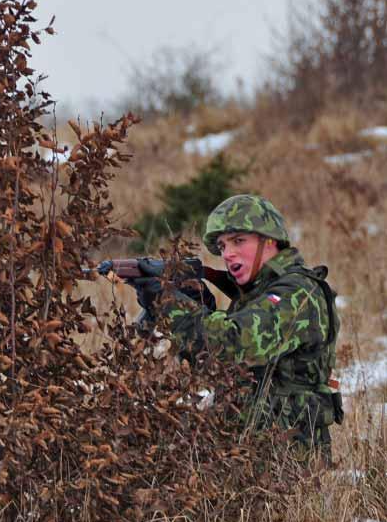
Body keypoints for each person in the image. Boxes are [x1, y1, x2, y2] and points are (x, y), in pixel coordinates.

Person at [138, 194, 344, 458]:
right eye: (223, 246)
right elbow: (216, 365)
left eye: (238, 241)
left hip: (284, 464)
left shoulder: (297, 292)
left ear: (270, 240)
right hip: (247, 452)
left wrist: (171, 305)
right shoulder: (257, 295)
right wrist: (192, 309)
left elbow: (236, 343)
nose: (228, 253)